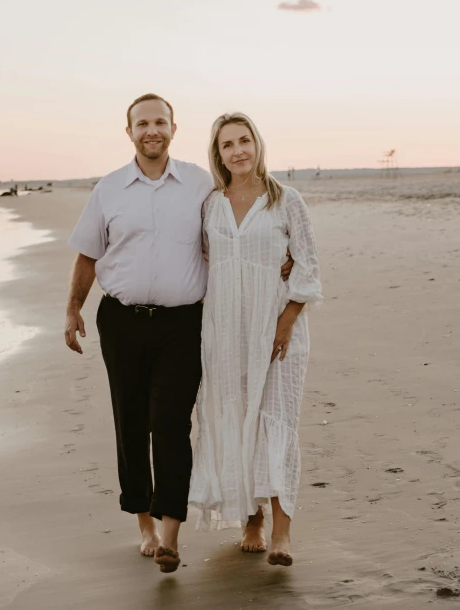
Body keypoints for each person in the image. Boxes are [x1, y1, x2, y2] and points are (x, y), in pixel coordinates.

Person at [64, 93, 296, 573]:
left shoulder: (198, 183)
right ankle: (144, 524)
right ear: (128, 132)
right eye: (142, 123)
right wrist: (72, 310)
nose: (152, 130)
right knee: (130, 423)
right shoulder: (109, 189)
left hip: (181, 324)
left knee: (170, 424)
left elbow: (241, 220)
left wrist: (279, 260)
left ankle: (170, 535)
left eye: (160, 122)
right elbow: (87, 253)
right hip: (121, 319)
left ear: (173, 128)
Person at [189, 112, 322, 568]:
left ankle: (282, 533)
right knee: (234, 419)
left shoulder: (286, 200)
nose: (238, 151)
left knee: (277, 420)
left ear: (258, 144)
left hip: (278, 331)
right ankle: (252, 521)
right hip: (225, 332)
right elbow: (207, 264)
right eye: (228, 145)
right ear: (218, 153)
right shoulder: (210, 205)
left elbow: (307, 265)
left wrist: (286, 320)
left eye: (245, 141)